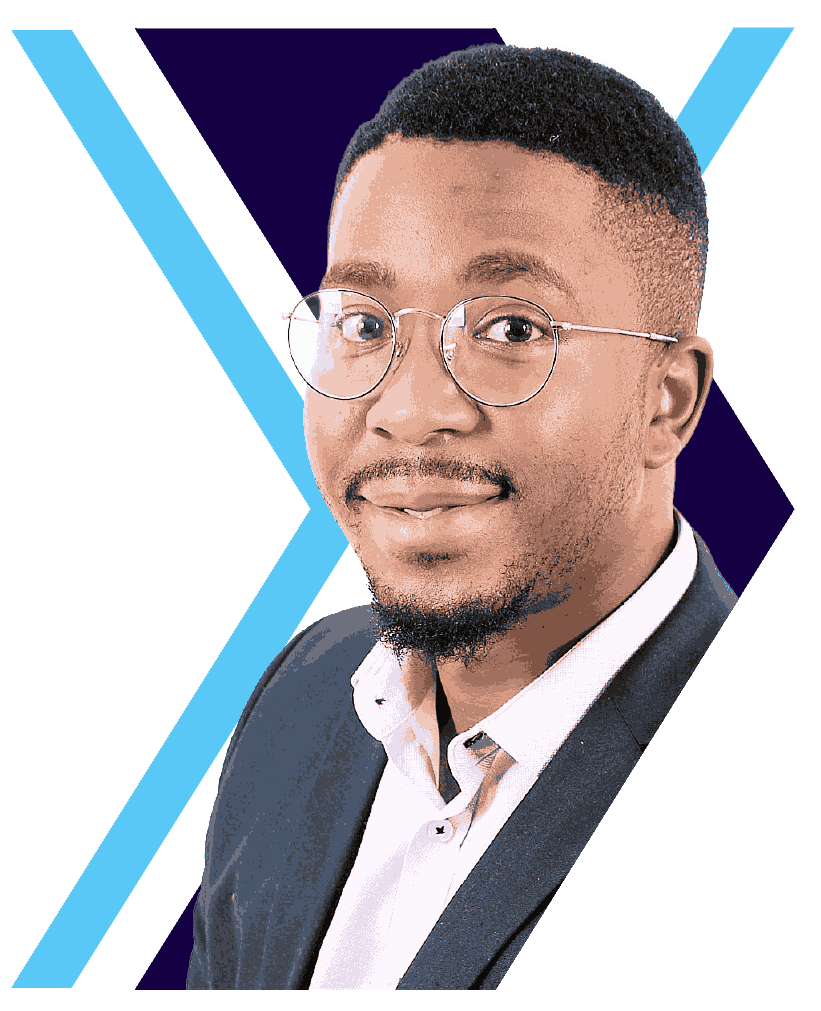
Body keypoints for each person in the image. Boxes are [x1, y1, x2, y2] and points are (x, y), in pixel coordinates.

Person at [186, 41, 736, 990]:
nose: (408, 408)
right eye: (363, 324)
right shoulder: (306, 688)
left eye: (511, 329)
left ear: (667, 399)